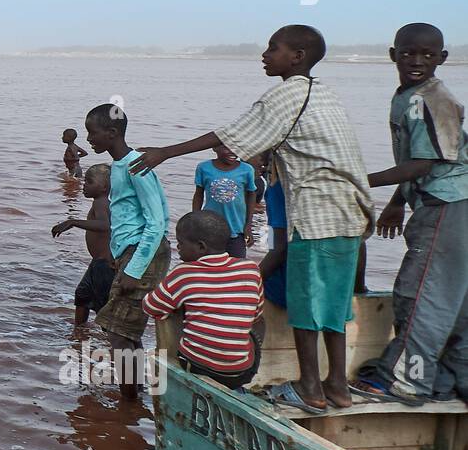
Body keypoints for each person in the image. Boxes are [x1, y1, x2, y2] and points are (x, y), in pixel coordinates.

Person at [129, 25, 373, 413]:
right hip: (348, 219)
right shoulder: (323, 93)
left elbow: (230, 134)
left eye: (273, 48)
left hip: (317, 216)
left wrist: (167, 151)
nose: (265, 54)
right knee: (335, 308)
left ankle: (310, 388)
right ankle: (338, 386)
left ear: (298, 56)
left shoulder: (289, 93)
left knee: (307, 307)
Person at [354, 23, 468, 404]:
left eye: (426, 55)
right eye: (408, 54)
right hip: (444, 203)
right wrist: (397, 202)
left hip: (447, 204)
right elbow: (415, 159)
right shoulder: (409, 95)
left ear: (442, 59)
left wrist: (356, 180)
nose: (416, 61)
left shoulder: (434, 100)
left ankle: (405, 381)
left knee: (421, 294)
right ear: (394, 55)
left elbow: (424, 163)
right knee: (454, 298)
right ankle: (449, 379)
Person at [83, 103, 172, 400]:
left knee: (116, 329)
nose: (89, 140)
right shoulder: (119, 167)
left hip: (143, 254)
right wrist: (116, 255)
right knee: (125, 329)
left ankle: (129, 400)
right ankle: (134, 393)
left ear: (111, 133)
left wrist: (134, 268)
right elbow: (125, 218)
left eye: (92, 133)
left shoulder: (136, 166)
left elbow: (157, 220)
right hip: (131, 254)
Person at [143, 211, 264, 391]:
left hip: (198, 366)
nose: (178, 248)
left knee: (173, 310)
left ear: (201, 247)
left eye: (181, 243)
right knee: (252, 325)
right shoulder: (251, 269)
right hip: (241, 372)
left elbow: (150, 306)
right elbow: (256, 315)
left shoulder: (184, 273)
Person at [51, 163, 113, 325]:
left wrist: (73, 222)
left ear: (104, 187)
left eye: (89, 182)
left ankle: (112, 340)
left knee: (103, 306)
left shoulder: (101, 203)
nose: (84, 185)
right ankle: (79, 332)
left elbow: (104, 225)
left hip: (104, 265)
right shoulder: (102, 202)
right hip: (98, 263)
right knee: (82, 295)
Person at [192, 142, 257, 258]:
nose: (233, 151)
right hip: (210, 228)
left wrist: (248, 225)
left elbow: (252, 195)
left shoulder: (247, 170)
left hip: (236, 228)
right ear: (215, 148)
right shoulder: (204, 168)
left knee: (237, 266)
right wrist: (195, 221)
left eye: (236, 147)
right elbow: (198, 194)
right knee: (209, 265)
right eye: (227, 147)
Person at [260, 161, 288, 310]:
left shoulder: (277, 189)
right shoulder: (271, 188)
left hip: (283, 288)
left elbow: (279, 248)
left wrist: (250, 282)